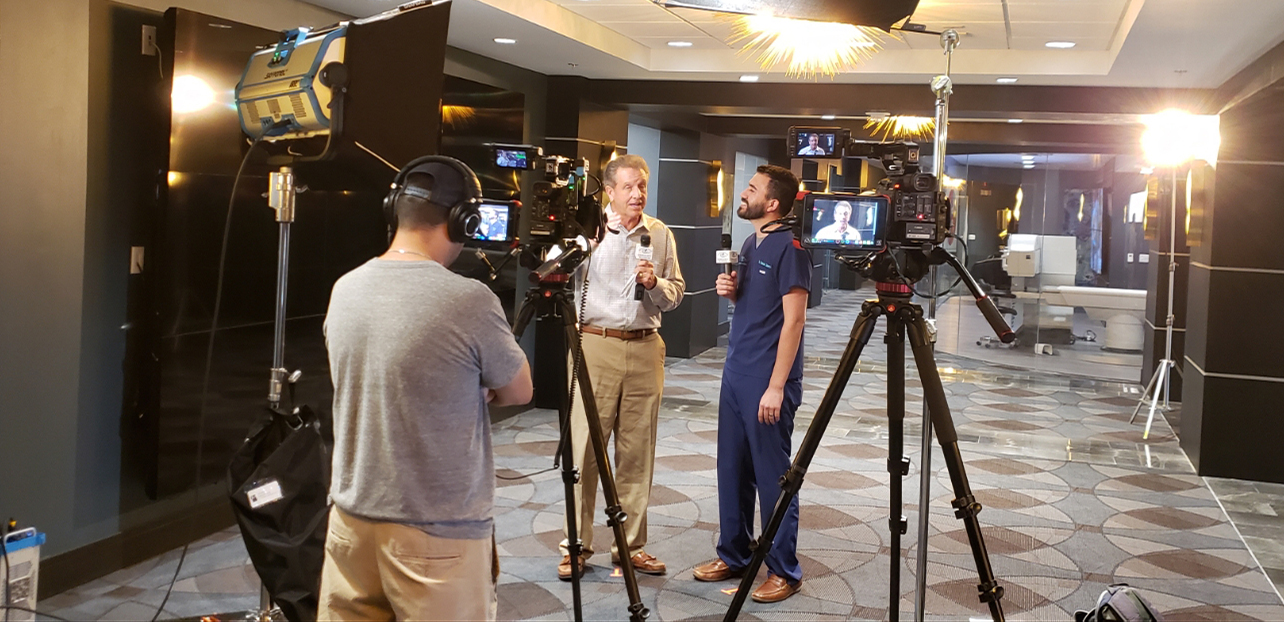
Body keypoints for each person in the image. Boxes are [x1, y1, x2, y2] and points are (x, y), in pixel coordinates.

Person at [319, 157, 533, 622]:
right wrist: (478, 386)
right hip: (437, 532)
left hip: (350, 520)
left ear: (393, 209)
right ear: (464, 220)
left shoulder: (345, 288)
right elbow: (520, 390)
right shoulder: (469, 299)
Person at [557, 154, 685, 580]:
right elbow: (556, 275)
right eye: (628, 186)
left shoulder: (660, 233)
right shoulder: (587, 230)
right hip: (595, 344)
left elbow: (676, 292)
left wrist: (655, 284)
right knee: (585, 450)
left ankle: (630, 546)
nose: (637, 194)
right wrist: (583, 244)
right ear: (609, 191)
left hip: (646, 347)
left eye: (642, 186)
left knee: (637, 453)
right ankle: (575, 546)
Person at [695, 164, 810, 604]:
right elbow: (753, 300)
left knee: (772, 477)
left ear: (773, 203)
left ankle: (784, 570)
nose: (743, 193)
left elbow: (794, 321)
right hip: (736, 373)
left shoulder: (791, 248)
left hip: (768, 379)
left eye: (752, 188)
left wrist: (777, 386)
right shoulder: (750, 241)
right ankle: (735, 553)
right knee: (732, 469)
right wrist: (731, 290)